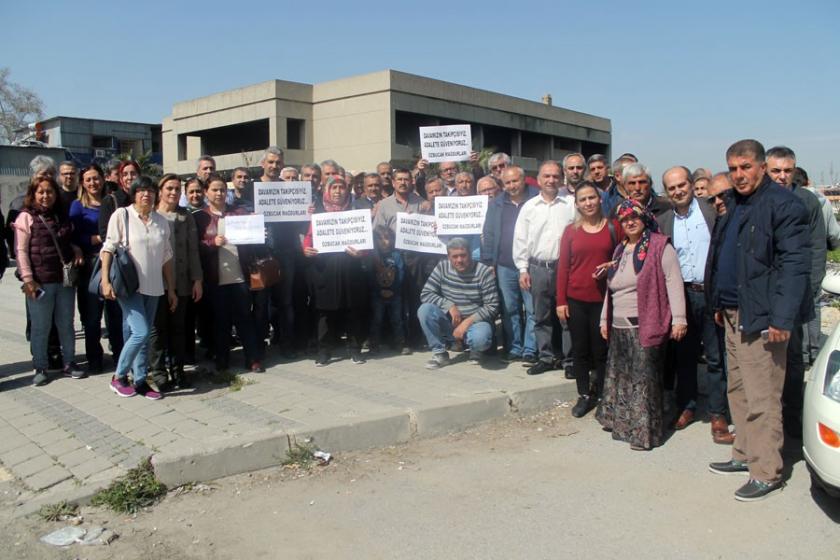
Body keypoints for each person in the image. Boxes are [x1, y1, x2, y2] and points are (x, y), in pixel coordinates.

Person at [707, 139, 810, 501]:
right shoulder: (734, 203)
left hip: (763, 318)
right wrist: (719, 302)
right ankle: (744, 454)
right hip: (734, 314)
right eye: (733, 168)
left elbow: (795, 266)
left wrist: (781, 318)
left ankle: (766, 471)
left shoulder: (783, 205)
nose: (739, 175)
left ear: (762, 167)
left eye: (745, 167)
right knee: (739, 389)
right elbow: (725, 255)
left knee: (763, 395)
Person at [596, 199, 687, 450]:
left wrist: (679, 319)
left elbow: (673, 282)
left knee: (644, 382)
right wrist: (604, 319)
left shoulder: (659, 246)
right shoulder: (620, 249)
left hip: (644, 325)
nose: (629, 222)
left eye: (634, 217)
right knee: (623, 379)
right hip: (619, 326)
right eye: (624, 219)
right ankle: (624, 426)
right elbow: (610, 289)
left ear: (645, 218)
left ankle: (644, 435)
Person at [660, 166, 731, 443]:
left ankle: (717, 412)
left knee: (715, 357)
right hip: (682, 297)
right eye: (672, 188)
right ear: (667, 192)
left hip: (710, 293)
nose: (678, 191)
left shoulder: (711, 211)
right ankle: (686, 406)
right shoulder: (664, 220)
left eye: (682, 185)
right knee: (684, 357)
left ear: (691, 184)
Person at [101, 176, 176, 400]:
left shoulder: (161, 221)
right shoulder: (122, 215)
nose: (147, 194)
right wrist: (105, 281)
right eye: (142, 191)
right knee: (141, 332)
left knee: (142, 336)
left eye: (151, 191)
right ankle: (119, 376)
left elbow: (167, 258)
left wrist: (171, 289)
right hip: (129, 286)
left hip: (154, 287)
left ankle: (141, 381)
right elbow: (108, 248)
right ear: (134, 194)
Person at [556, 182, 621, 418]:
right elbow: (563, 268)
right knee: (580, 351)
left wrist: (612, 265)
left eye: (592, 198)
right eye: (583, 199)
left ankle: (604, 395)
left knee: (601, 351)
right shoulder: (570, 231)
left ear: (600, 199)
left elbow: (625, 254)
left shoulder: (613, 228)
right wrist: (561, 301)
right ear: (577, 204)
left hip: (604, 301)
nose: (588, 203)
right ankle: (584, 394)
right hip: (576, 299)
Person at [15, 177, 85, 386]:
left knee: (66, 324)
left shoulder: (61, 216)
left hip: (63, 280)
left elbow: (65, 240)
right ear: (33, 194)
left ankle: (70, 362)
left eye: (50, 192)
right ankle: (40, 366)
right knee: (40, 326)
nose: (46, 196)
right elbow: (20, 251)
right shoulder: (25, 217)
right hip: (39, 282)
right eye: (41, 192)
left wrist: (75, 248)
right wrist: (28, 279)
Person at [194, 174, 266, 374]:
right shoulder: (200, 217)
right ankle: (222, 358)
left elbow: (253, 240)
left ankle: (252, 358)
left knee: (245, 318)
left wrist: (257, 228)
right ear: (206, 193)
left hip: (239, 276)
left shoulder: (239, 212)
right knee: (221, 320)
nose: (219, 193)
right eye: (215, 190)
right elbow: (195, 248)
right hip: (215, 278)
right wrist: (211, 244)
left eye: (222, 190)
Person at [513, 160, 576, 375]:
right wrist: (522, 269)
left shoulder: (571, 204)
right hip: (538, 268)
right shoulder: (529, 207)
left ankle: (569, 361)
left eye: (555, 176)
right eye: (547, 176)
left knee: (566, 316)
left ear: (561, 179)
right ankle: (546, 357)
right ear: (539, 180)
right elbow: (520, 240)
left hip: (565, 268)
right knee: (540, 316)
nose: (551, 180)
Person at [303, 176, 369, 366]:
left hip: (351, 270)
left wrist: (361, 253)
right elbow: (309, 238)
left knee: (352, 311)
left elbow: (365, 243)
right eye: (334, 188)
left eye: (341, 187)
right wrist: (306, 250)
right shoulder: (318, 213)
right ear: (327, 190)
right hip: (325, 270)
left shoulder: (355, 212)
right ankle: (324, 352)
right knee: (325, 313)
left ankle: (355, 350)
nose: (338, 191)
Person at [148, 174, 203, 390]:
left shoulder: (185, 216)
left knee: (179, 329)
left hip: (182, 283)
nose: (173, 192)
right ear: (160, 191)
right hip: (156, 283)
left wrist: (197, 279)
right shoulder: (151, 215)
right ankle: (159, 373)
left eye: (177, 189)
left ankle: (178, 370)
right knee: (158, 330)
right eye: (169, 188)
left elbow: (193, 251)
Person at [481, 166, 538, 363]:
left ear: (524, 180)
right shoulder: (496, 204)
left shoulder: (536, 200)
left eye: (515, 181)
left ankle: (530, 348)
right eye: (508, 183)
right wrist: (489, 261)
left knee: (532, 309)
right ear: (502, 184)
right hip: (505, 265)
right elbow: (488, 233)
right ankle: (514, 347)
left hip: (530, 265)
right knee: (510, 309)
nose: (512, 186)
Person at [419, 237, 499, 369]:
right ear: (448, 257)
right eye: (455, 256)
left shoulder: (483, 272)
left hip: (475, 322)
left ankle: (476, 349)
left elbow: (493, 306)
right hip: (451, 322)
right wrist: (449, 305)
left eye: (463, 255)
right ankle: (440, 353)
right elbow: (426, 294)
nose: (459, 260)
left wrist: (467, 323)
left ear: (470, 253)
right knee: (425, 310)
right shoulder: (442, 267)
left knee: (481, 339)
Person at [98, 160, 139, 363]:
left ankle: (138, 359)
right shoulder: (111, 200)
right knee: (122, 316)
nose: (130, 177)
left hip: (142, 266)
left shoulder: (145, 198)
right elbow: (105, 235)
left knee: (137, 318)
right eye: (126, 174)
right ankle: (123, 358)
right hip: (122, 265)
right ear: (120, 177)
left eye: (133, 173)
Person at [69, 164, 106, 373]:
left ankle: (119, 353)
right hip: (90, 264)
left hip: (113, 263)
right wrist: (97, 238)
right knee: (92, 316)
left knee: (115, 313)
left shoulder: (111, 202)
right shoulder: (77, 206)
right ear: (83, 182)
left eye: (96, 178)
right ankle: (94, 358)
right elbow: (72, 237)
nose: (93, 183)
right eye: (89, 179)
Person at [368, 226, 408, 355]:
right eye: (380, 239)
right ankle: (374, 344)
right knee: (376, 320)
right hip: (377, 295)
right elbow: (370, 276)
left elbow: (401, 274)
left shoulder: (396, 255)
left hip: (395, 295)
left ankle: (400, 344)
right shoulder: (373, 257)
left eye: (388, 238)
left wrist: (394, 290)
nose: (385, 242)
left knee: (397, 320)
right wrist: (379, 290)